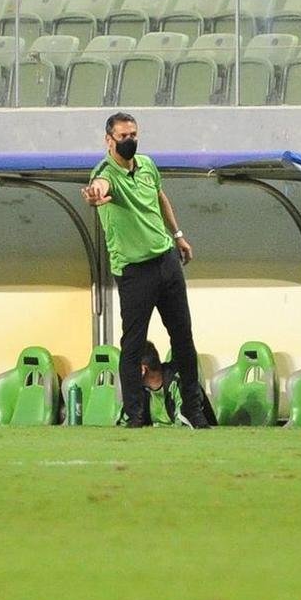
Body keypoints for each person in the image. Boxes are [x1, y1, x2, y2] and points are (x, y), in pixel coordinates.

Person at [82, 113, 212, 428]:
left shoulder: (147, 165)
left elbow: (159, 197)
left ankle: (193, 411)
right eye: (123, 136)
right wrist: (95, 194)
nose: (129, 141)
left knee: (184, 339)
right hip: (134, 271)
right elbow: (98, 186)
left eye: (133, 135)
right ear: (109, 140)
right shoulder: (105, 172)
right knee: (133, 345)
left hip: (166, 261)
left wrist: (177, 235)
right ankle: (136, 416)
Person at [138, 341, 218, 427]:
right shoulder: (141, 390)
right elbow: (131, 423)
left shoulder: (180, 382)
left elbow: (183, 427)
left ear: (143, 370)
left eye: (129, 367)